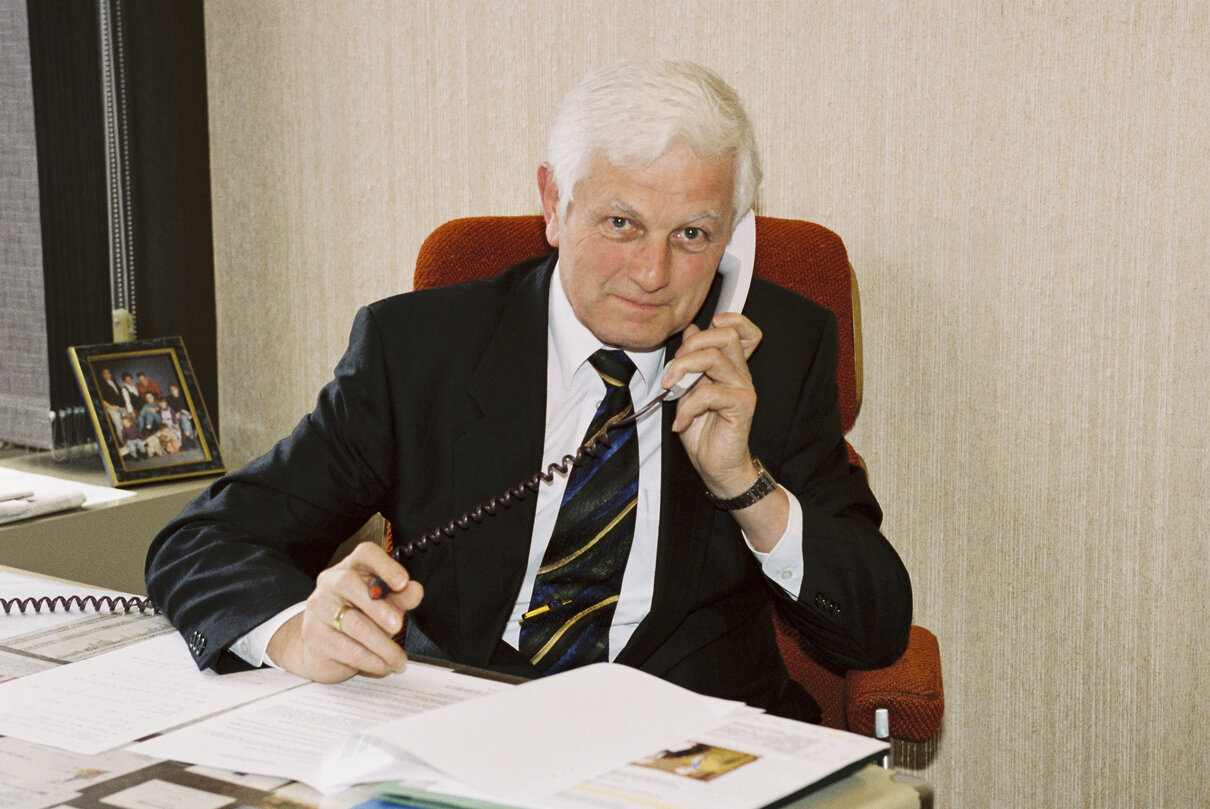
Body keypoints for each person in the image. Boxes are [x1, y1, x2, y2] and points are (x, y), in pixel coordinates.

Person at [146, 60, 911, 722]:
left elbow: (876, 627)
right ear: (554, 203)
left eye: (692, 235)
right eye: (620, 222)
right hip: (465, 732)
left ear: (734, 238)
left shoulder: (772, 353)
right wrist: (294, 633)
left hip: (683, 752)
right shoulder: (419, 351)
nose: (652, 274)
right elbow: (205, 539)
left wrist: (745, 483)